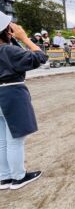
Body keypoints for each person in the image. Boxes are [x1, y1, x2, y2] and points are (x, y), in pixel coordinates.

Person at [0, 13, 47, 190]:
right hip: (11, 92)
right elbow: (40, 57)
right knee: (15, 138)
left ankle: (4, 177)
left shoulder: (7, 49)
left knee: (2, 139)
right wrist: (25, 38)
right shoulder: (8, 50)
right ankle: (18, 177)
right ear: (7, 31)